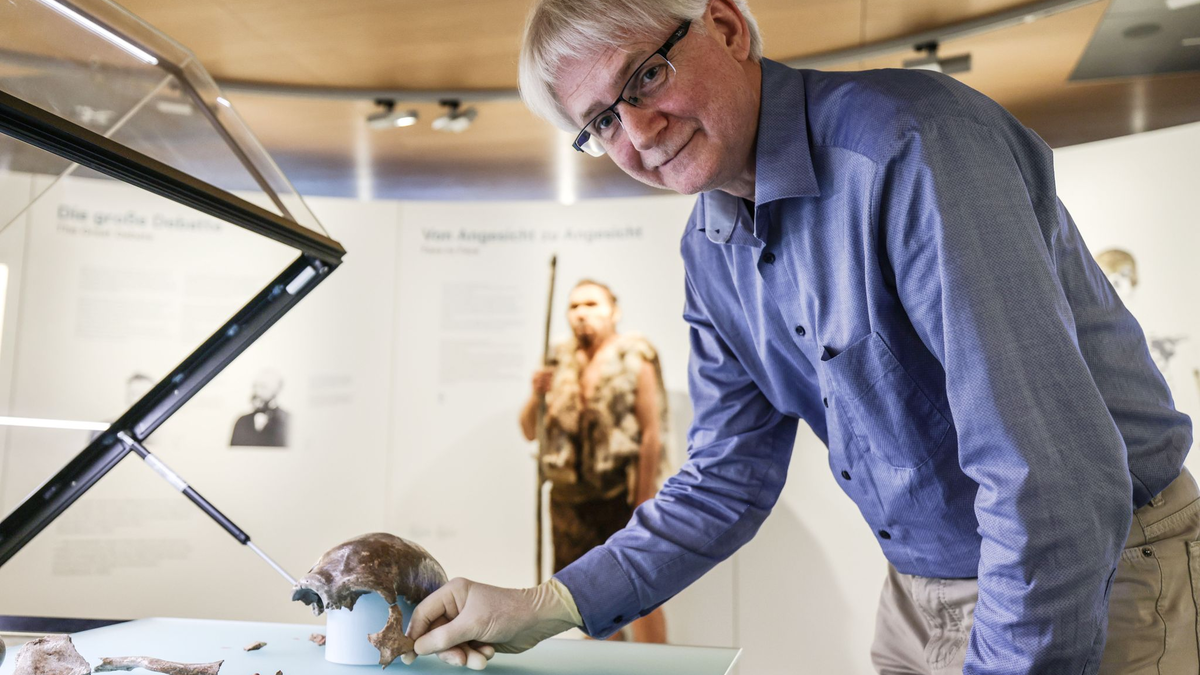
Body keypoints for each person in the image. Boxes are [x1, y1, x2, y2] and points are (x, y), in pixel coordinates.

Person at [403, 1, 1196, 672]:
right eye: (602, 122)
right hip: (918, 591)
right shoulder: (709, 249)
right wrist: (549, 603)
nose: (638, 132)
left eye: (644, 76)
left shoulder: (911, 147)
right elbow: (726, 477)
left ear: (725, 26)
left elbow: (1048, 477)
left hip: (1096, 570)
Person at [518, 279, 668, 643]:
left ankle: (659, 667)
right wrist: (536, 395)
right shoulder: (558, 358)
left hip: (619, 498)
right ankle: (605, 667)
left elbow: (651, 433)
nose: (581, 313)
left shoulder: (635, 356)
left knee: (641, 592)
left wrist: (643, 500)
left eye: (591, 304)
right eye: (574, 306)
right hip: (569, 504)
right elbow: (529, 431)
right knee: (587, 600)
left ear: (613, 311)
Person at [230, 369, 290, 447]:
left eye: (263, 387)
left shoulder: (287, 420)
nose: (257, 392)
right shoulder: (241, 421)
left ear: (277, 390)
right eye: (255, 386)